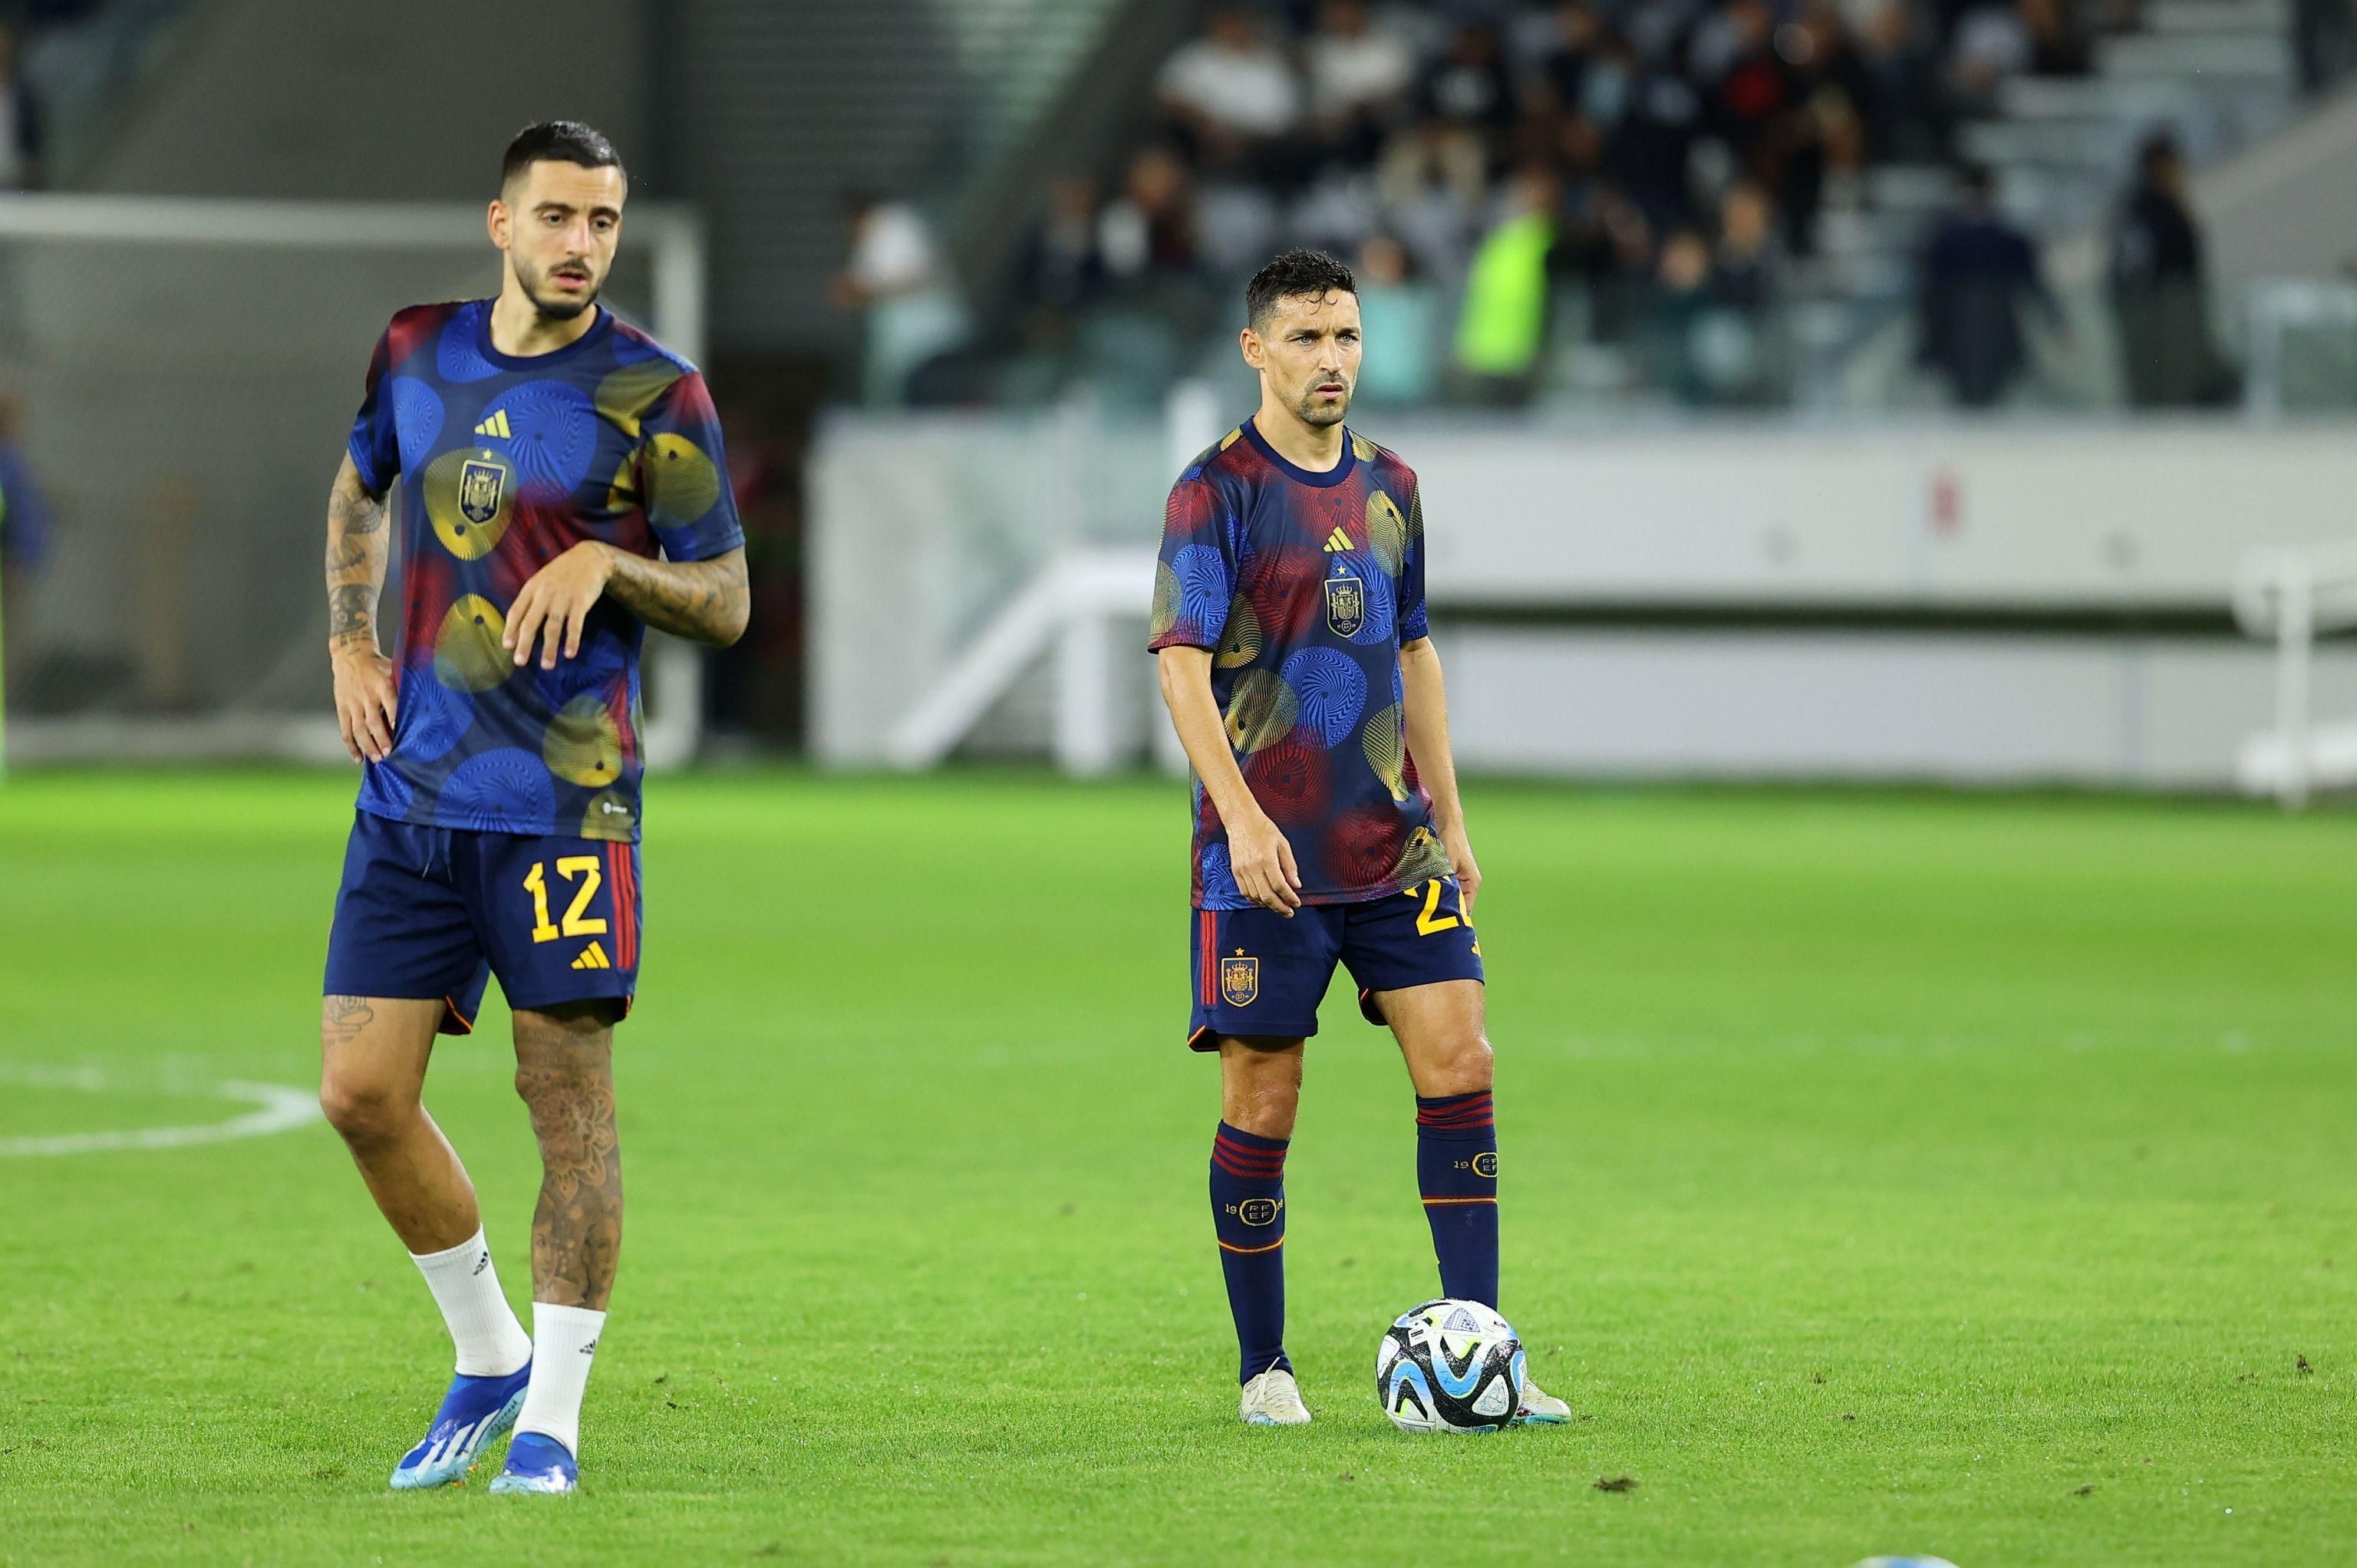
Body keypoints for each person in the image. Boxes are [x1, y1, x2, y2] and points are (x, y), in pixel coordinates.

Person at [316, 120, 749, 1497]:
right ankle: (488, 1350)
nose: (581, 244)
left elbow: (728, 599)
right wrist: (349, 637)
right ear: (500, 222)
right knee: (360, 1092)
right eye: (557, 216)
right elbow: (358, 485)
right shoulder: (412, 348)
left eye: (603, 222)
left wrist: (618, 567)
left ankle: (552, 1419)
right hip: (415, 793)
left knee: (564, 1102)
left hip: (568, 806)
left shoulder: (654, 392)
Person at [1147, 249, 1571, 1429]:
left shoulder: (1393, 483)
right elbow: (1180, 665)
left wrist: (1453, 817)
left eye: (1345, 339)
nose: (1330, 361)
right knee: (1264, 1101)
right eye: (1305, 339)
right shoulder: (1214, 490)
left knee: (1465, 1065)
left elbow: (1417, 650)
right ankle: (1264, 1367)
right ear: (1255, 350)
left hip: (1396, 849)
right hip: (1267, 863)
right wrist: (1238, 821)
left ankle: (1485, 1350)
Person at [1915, 163, 2059, 408]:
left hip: (1998, 324)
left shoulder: (2007, 240)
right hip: (1956, 325)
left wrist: (2055, 321)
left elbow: (2032, 283)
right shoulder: (1945, 240)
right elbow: (1930, 291)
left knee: (1995, 388)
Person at [2109, 133, 2235, 408]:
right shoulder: (2144, 210)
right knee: (2165, 380)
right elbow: (2135, 264)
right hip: (2160, 304)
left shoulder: (2164, 208)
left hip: (2172, 302)